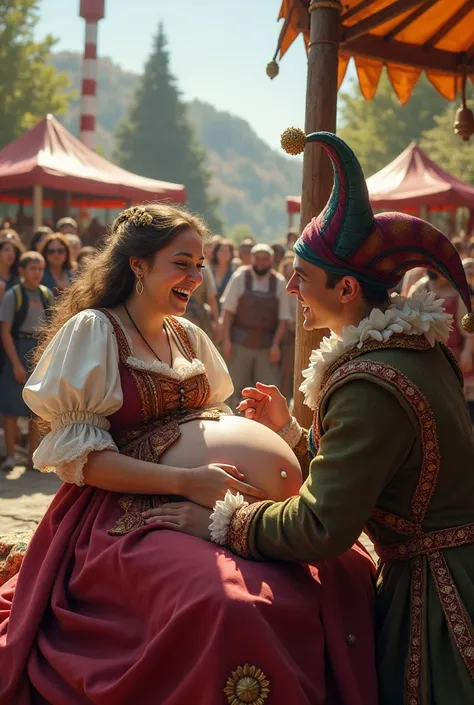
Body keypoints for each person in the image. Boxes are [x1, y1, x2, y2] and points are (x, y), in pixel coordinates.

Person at [0, 202, 378, 705]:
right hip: (129, 515)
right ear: (138, 264)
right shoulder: (95, 329)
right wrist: (188, 482)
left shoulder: (189, 336)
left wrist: (268, 429)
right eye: (182, 263)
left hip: (220, 507)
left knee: (345, 567)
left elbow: (206, 421)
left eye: (200, 265)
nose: (196, 277)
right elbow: (84, 462)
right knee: (228, 601)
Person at [165, 132, 474, 705]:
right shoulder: (415, 351)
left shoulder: (369, 381)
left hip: (440, 598)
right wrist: (291, 435)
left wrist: (221, 519)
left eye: (303, 276)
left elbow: (322, 527)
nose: (291, 288)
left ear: (349, 288)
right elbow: (384, 466)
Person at [220, 243, 290, 410]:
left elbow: (283, 318)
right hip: (239, 343)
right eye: (257, 258)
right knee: (233, 388)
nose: (261, 262)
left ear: (271, 260)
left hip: (266, 345)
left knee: (269, 391)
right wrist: (227, 341)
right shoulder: (240, 277)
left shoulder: (279, 282)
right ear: (252, 259)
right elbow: (228, 312)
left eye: (265, 259)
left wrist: (275, 345)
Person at [0, 251, 53, 472]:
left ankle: (33, 457)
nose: (37, 273)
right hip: (18, 347)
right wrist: (16, 363)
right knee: (12, 409)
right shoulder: (14, 295)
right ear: (21, 271)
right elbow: (5, 332)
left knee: (36, 409)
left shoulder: (46, 294)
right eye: (32, 268)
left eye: (40, 268)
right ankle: (11, 456)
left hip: (39, 350)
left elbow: (51, 327)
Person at [210, 238, 235, 310]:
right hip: (208, 312)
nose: (224, 254)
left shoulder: (234, 272)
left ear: (231, 254)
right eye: (221, 250)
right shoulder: (209, 270)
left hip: (227, 310)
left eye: (227, 251)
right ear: (216, 252)